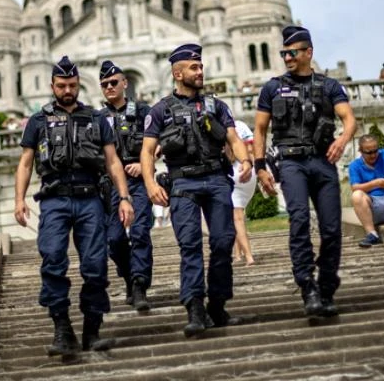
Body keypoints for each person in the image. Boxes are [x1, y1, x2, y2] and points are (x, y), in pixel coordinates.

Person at [13, 55, 135, 357]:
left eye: (71, 85)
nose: (67, 90)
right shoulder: (39, 121)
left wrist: (124, 197)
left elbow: (112, 161)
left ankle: (92, 330)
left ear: (79, 84)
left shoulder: (95, 119)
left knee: (95, 265)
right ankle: (62, 329)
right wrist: (19, 200)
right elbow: (26, 163)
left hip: (90, 197)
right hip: (54, 199)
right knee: (53, 259)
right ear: (52, 86)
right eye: (61, 85)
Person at [140, 43, 252, 338]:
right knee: (190, 246)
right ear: (177, 73)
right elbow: (147, 150)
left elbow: (233, 137)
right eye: (194, 67)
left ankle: (217, 304)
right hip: (183, 184)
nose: (200, 71)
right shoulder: (161, 110)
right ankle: (195, 308)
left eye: (201, 66)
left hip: (216, 179)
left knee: (223, 241)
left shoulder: (216, 106)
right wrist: (150, 184)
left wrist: (245, 160)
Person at [253, 25, 357, 319]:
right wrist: (260, 167)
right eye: (284, 52)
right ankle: (307, 286)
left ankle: (326, 287)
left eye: (292, 52)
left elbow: (349, 119)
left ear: (308, 52)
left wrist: (342, 139)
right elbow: (260, 129)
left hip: (323, 162)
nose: (287, 57)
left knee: (332, 228)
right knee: (298, 219)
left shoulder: (329, 86)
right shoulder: (272, 87)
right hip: (291, 163)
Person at [98, 59, 154, 312]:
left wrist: (144, 165)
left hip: (138, 180)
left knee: (140, 231)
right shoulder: (97, 118)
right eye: (104, 84)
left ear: (124, 83)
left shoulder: (143, 112)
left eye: (113, 82)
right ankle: (129, 275)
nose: (109, 87)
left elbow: (159, 142)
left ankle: (140, 284)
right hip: (110, 185)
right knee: (115, 239)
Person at [229, 120, 257, 266]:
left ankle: (248, 256)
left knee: (236, 218)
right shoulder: (241, 124)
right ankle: (237, 254)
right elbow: (251, 149)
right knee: (235, 215)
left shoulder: (219, 125)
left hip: (233, 171)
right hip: (249, 171)